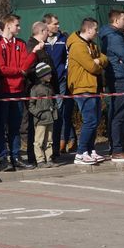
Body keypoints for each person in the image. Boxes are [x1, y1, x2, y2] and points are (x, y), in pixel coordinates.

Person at [0, 14, 41, 171]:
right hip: (4, 91)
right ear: (7, 25)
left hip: (18, 90)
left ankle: (15, 157)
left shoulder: (20, 43)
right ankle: (3, 157)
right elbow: (1, 69)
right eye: (17, 25)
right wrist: (19, 71)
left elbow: (25, 65)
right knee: (1, 126)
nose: (19, 28)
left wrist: (33, 52)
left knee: (16, 126)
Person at [67, 18, 108, 164]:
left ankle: (91, 150)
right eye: (95, 30)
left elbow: (103, 58)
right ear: (89, 29)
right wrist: (96, 62)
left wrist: (99, 60)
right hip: (82, 88)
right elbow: (92, 67)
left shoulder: (91, 45)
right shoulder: (77, 46)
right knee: (89, 120)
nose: (97, 33)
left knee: (95, 120)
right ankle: (80, 153)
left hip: (94, 87)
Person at [100, 9, 124, 162]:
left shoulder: (119, 36)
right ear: (116, 21)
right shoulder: (114, 37)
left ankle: (123, 147)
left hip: (123, 77)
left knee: (123, 115)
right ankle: (117, 149)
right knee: (119, 115)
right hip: (119, 79)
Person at [23, 21, 55, 163]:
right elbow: (31, 68)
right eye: (47, 31)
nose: (49, 34)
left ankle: (48, 156)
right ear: (42, 32)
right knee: (36, 129)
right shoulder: (32, 46)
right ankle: (35, 157)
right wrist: (41, 83)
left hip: (45, 92)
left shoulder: (41, 46)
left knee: (48, 132)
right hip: (37, 92)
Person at [43, 13, 74, 155]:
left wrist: (64, 72)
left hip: (61, 80)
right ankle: (60, 140)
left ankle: (62, 141)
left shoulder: (63, 39)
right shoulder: (42, 41)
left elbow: (68, 58)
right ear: (47, 25)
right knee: (50, 111)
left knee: (60, 111)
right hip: (47, 82)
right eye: (55, 23)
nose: (58, 26)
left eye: (58, 23)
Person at [28, 62, 58, 168]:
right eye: (48, 74)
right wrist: (39, 114)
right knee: (39, 141)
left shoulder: (50, 87)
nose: (50, 75)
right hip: (40, 120)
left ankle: (49, 158)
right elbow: (31, 106)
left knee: (49, 140)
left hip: (50, 118)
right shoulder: (35, 89)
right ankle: (40, 160)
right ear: (42, 75)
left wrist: (54, 113)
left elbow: (53, 102)